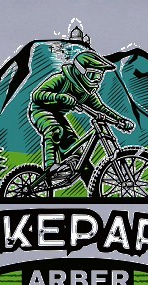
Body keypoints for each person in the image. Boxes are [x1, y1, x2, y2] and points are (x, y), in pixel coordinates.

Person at [25, 23, 129, 190]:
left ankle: (94, 191)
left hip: (58, 114)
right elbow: (37, 95)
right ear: (80, 70)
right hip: (40, 110)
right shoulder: (62, 79)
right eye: (92, 75)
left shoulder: (86, 92)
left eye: (99, 77)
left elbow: (100, 107)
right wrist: (61, 97)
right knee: (54, 129)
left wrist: (119, 120)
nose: (96, 80)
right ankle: (50, 167)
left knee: (80, 156)